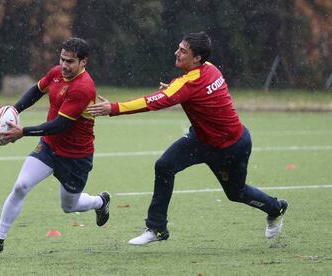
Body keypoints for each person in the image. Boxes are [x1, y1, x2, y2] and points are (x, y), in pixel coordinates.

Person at [87, 32, 287, 245]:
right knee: (164, 166)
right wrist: (174, 91)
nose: (177, 53)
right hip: (201, 140)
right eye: (179, 47)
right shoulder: (208, 69)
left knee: (236, 193)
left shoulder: (190, 83)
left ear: (197, 58)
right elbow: (189, 91)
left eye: (183, 51)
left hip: (231, 147)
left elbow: (153, 102)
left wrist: (113, 108)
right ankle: (157, 228)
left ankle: (276, 208)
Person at [0, 37, 110, 258]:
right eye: (62, 59)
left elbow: (60, 124)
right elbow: (37, 90)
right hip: (49, 148)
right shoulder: (57, 72)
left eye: (71, 61)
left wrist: (23, 132)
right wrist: (15, 110)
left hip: (75, 157)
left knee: (69, 206)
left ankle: (100, 201)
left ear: (83, 62)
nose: (65, 65)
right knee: (20, 186)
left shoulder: (83, 88)